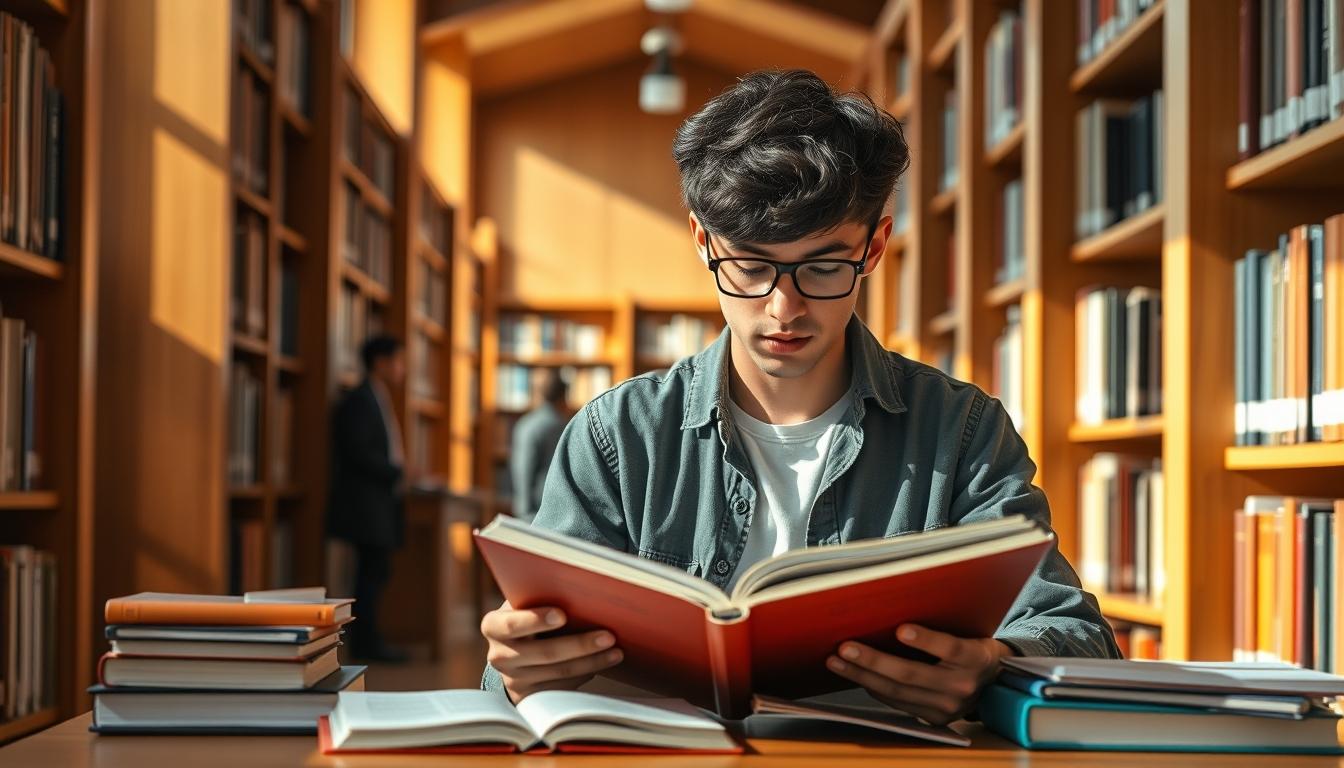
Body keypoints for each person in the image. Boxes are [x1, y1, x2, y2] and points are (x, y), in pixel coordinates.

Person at [479, 69, 1120, 724]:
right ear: (703, 242)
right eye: (750, 267)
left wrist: (994, 665)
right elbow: (515, 671)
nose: (784, 309)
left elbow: (1080, 636)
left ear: (874, 248)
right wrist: (519, 671)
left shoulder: (961, 432)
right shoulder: (618, 435)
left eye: (822, 267)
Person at [329, 334, 409, 663]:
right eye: (398, 361)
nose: (403, 369)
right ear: (381, 362)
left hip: (379, 504)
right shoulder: (360, 399)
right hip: (366, 505)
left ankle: (371, 641)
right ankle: (366, 645)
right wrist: (395, 471)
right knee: (369, 575)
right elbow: (358, 452)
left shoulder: (378, 396)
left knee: (375, 573)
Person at [510, 369, 571, 523]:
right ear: (563, 396)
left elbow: (523, 470)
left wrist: (524, 511)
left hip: (533, 511)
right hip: (557, 511)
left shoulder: (526, 425)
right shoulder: (566, 426)